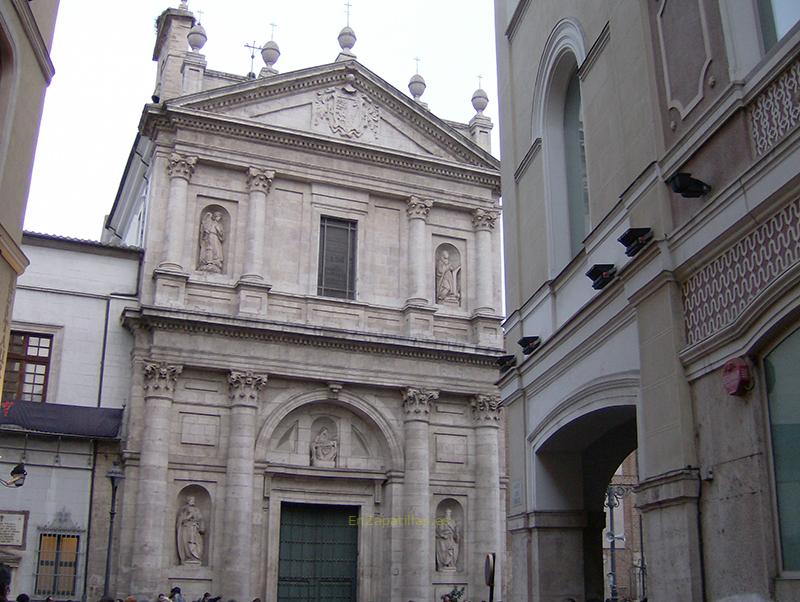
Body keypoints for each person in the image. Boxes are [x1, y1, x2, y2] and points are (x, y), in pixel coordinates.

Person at [176, 496, 205, 564]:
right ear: (188, 501)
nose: (193, 501)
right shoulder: (184, 509)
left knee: (195, 542)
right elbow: (181, 519)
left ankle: (195, 556)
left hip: (194, 528)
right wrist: (187, 517)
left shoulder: (196, 510)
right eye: (191, 500)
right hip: (186, 528)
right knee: (186, 541)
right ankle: (188, 556)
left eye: (193, 500)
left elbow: (200, 518)